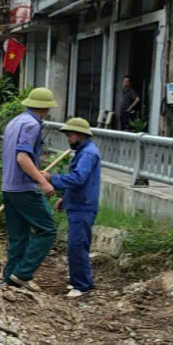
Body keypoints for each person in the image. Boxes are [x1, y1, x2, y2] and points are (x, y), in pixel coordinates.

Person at [1, 87, 59, 291]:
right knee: (47, 230)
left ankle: (9, 278)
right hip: (24, 188)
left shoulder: (15, 122)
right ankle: (23, 273)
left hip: (8, 187)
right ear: (45, 108)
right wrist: (42, 182)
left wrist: (36, 172)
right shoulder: (32, 125)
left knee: (18, 236)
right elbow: (22, 157)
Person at [43, 118, 101, 298]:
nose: (68, 139)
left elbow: (77, 179)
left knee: (77, 245)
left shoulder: (88, 154)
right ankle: (82, 280)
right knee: (76, 244)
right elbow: (77, 182)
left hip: (83, 206)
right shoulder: (84, 152)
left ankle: (82, 285)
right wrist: (64, 199)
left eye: (70, 135)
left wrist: (52, 178)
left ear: (80, 135)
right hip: (78, 204)